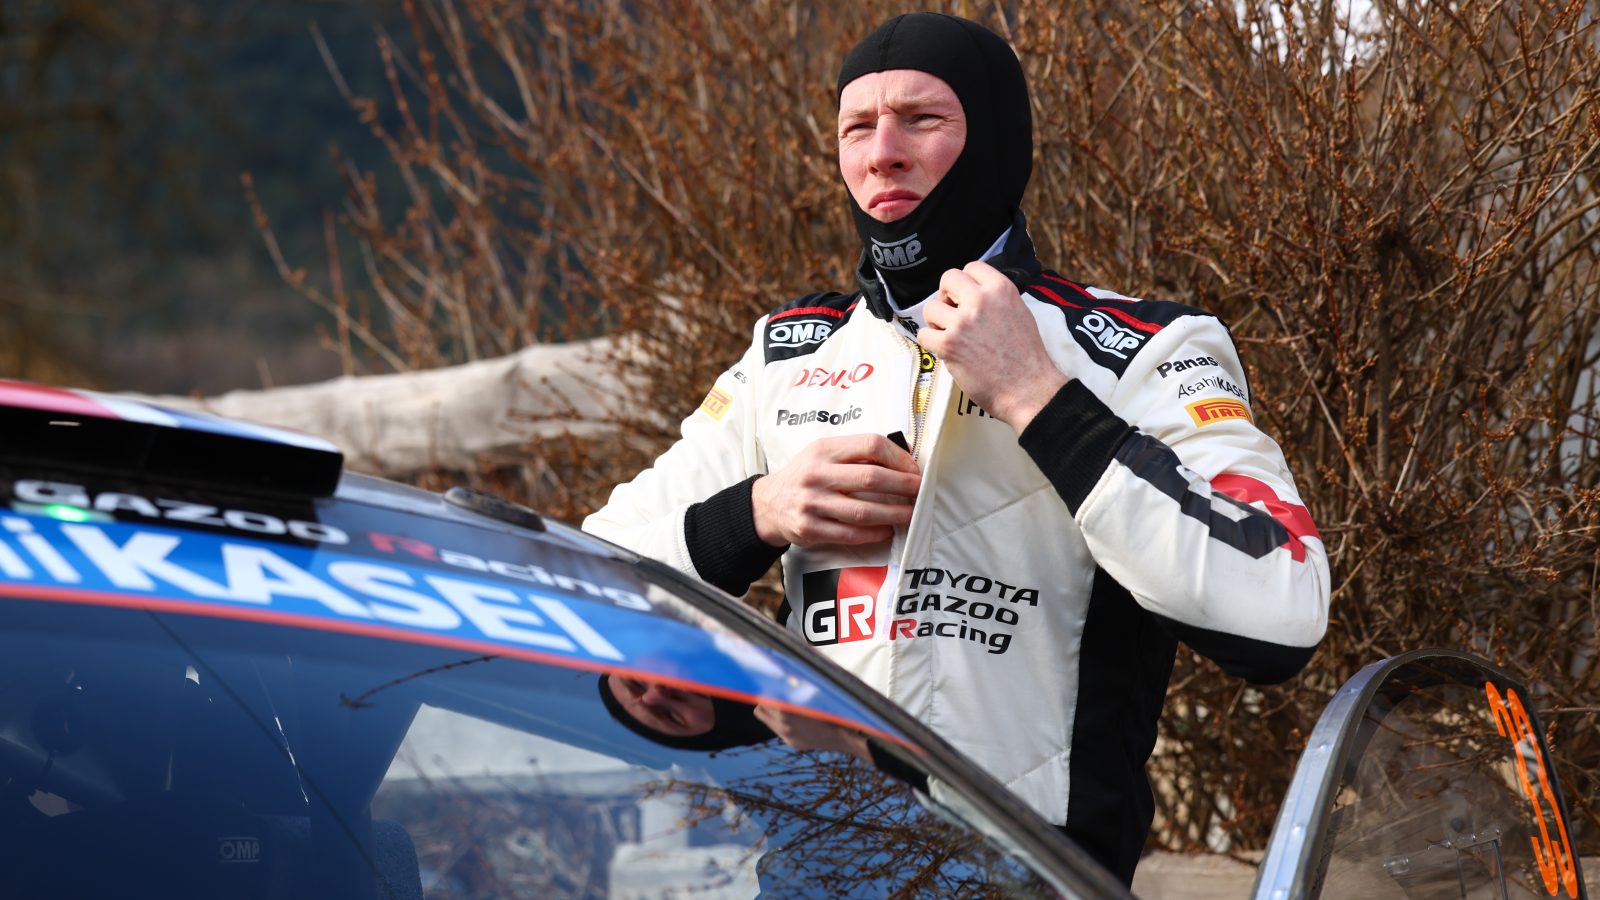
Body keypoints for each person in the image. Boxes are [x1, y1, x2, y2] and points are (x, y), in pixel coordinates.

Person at [584, 11, 1330, 885]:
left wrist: (1034, 395)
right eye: (857, 127)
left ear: (996, 139)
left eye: (921, 119)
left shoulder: (1145, 348)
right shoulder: (788, 353)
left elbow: (1281, 608)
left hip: (1036, 877)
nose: (883, 153)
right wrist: (756, 514)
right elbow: (585, 571)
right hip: (813, 872)